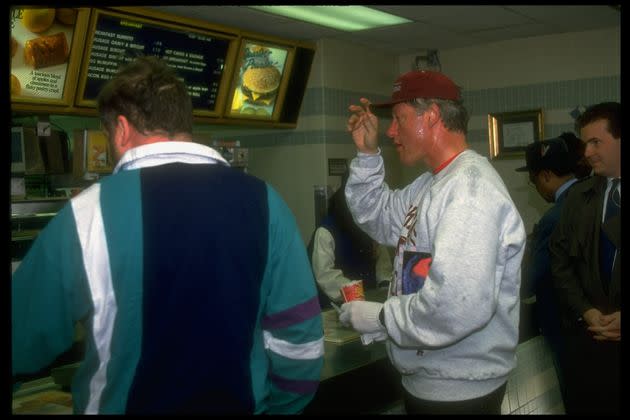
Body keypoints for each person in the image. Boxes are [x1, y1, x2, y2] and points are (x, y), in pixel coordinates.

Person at [11, 56, 324, 415]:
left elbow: (21, 338)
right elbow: (300, 342)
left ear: (122, 129)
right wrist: (282, 408)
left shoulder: (87, 214)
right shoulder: (266, 201)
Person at [338, 70, 526, 414]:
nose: (391, 131)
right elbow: (377, 215)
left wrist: (382, 318)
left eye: (399, 119)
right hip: (432, 381)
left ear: (433, 115)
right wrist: (367, 155)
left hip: (459, 391)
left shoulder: (470, 191)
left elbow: (457, 305)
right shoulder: (433, 184)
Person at [549, 101, 620, 415]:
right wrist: (586, 310)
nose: (587, 153)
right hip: (589, 344)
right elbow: (560, 261)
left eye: (596, 142)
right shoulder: (580, 196)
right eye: (585, 144)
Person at [515, 132, 591, 406]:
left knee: (574, 395)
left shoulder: (553, 218)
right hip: (592, 322)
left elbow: (532, 280)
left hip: (564, 326)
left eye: (533, 180)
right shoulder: (592, 199)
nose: (535, 187)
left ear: (545, 176)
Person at [308, 173, 392, 308]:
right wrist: (356, 295)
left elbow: (383, 266)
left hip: (369, 306)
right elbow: (325, 275)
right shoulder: (326, 232)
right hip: (334, 308)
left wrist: (385, 288)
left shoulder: (369, 226)